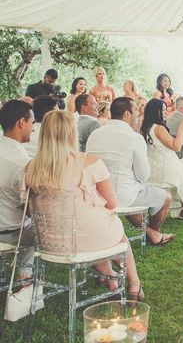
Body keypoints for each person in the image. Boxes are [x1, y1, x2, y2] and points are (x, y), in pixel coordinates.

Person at [23, 111, 144, 300]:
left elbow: (29, 210)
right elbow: (112, 203)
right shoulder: (90, 162)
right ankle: (134, 284)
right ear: (73, 133)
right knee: (114, 232)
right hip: (88, 238)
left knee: (88, 226)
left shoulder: (31, 167)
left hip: (50, 243)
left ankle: (111, 278)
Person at [86, 97, 173, 246]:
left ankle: (151, 233)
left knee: (131, 192)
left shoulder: (95, 134)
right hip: (122, 195)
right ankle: (153, 232)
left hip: (96, 194)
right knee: (166, 197)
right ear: (127, 114)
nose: (138, 115)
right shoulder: (134, 138)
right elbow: (143, 175)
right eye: (136, 111)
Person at [141, 99, 183, 217]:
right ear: (155, 111)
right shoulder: (159, 128)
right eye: (162, 110)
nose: (166, 112)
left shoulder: (147, 127)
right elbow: (176, 147)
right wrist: (181, 128)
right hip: (166, 169)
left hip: (156, 168)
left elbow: (172, 145)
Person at [0, 100, 36, 277]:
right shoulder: (23, 163)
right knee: (45, 224)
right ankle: (25, 275)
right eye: (32, 123)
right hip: (10, 232)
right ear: (21, 122)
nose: (33, 128)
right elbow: (31, 209)